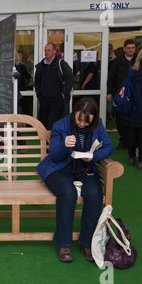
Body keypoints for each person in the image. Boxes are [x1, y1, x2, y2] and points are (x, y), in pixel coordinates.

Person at [37, 97, 114, 262]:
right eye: (79, 119)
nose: (82, 124)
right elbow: (55, 156)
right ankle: (64, 244)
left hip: (85, 168)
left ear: (93, 119)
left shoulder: (98, 125)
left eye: (87, 122)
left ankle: (87, 243)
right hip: (59, 168)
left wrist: (93, 156)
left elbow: (108, 147)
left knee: (94, 194)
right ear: (74, 113)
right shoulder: (60, 126)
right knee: (68, 193)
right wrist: (64, 145)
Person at [34, 43, 73, 130]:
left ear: (55, 51)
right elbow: (36, 82)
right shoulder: (41, 66)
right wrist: (39, 94)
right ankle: (47, 142)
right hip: (44, 99)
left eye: (49, 50)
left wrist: (64, 92)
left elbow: (69, 78)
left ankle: (53, 141)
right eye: (45, 50)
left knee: (53, 121)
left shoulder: (61, 64)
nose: (46, 52)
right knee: (44, 121)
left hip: (57, 99)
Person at [106, 39, 137, 149]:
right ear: (124, 49)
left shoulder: (139, 60)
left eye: (133, 48)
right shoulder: (117, 61)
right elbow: (111, 78)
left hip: (135, 94)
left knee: (133, 119)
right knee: (120, 120)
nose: (131, 50)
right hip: (120, 95)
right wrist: (109, 92)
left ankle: (133, 142)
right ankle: (123, 139)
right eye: (128, 48)